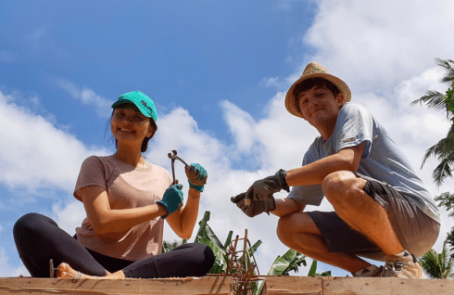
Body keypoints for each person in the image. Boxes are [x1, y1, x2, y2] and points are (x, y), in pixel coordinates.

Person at [231, 62, 440, 278]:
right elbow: (294, 205)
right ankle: (367, 272)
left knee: (337, 182)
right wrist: (266, 203)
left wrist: (279, 179)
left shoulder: (352, 112)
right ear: (302, 114)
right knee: (288, 227)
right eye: (304, 101)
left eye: (319, 94)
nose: (312, 103)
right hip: (377, 232)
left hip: (419, 219)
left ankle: (403, 263)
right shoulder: (315, 152)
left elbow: (346, 161)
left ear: (339, 99)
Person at [13, 90, 214, 279]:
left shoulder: (162, 175)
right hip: (88, 259)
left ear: (150, 129)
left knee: (201, 253)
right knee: (29, 225)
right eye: (120, 114)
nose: (126, 121)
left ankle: (110, 281)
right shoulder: (96, 164)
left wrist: (195, 190)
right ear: (112, 121)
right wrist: (160, 208)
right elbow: (101, 223)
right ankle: (105, 280)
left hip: (139, 269)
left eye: (137, 117)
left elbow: (183, 230)